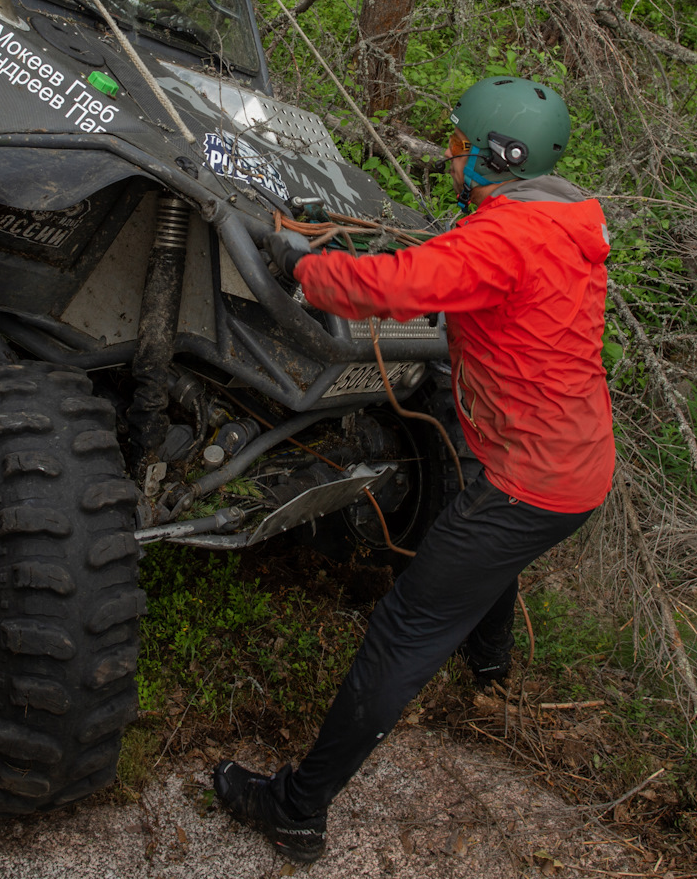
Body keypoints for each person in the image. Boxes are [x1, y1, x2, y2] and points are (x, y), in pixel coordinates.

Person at [215, 76, 616, 864]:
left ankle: (297, 809)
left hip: (530, 483)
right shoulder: (559, 223)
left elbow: (392, 288)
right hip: (575, 468)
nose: (451, 153)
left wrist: (303, 265)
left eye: (461, 145)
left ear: (499, 156)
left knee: (405, 630)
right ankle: (489, 658)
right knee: (480, 529)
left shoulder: (502, 241)